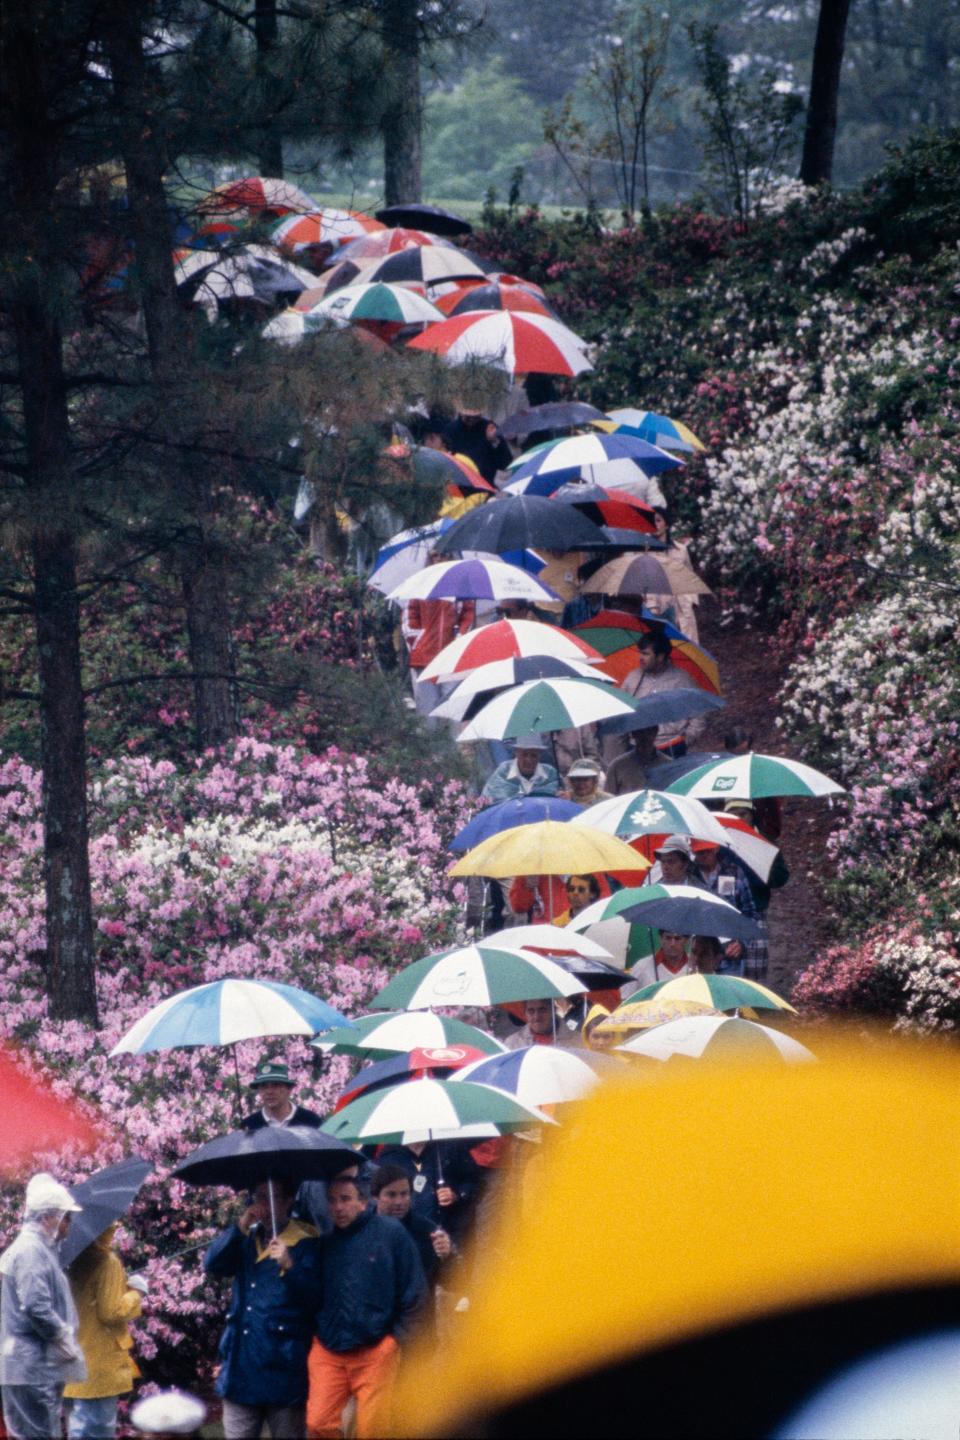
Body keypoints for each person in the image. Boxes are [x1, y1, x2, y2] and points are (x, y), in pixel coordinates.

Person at [301, 1174, 425, 1439]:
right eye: (332, 1201)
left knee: (372, 1430)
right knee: (317, 1424)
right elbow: (310, 1294)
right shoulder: (324, 1239)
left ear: (364, 1201)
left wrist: (395, 1340)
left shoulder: (390, 1232)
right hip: (329, 1348)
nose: (338, 1207)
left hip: (375, 1348)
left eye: (345, 1199)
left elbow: (414, 1291)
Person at [204, 1178, 322, 1440]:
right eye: (258, 1197)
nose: (263, 1205)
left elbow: (315, 1300)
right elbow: (213, 1265)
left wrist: (290, 1266)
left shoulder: (306, 1241)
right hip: (240, 1369)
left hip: (284, 1367)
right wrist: (238, 1228)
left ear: (289, 1201)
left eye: (272, 1197)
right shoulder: (247, 1238)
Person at [0, 1172, 86, 1440]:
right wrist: (61, 1335)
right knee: (36, 1434)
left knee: (42, 1431)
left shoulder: (40, 1248)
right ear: (48, 1217)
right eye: (65, 1217)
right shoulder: (30, 1251)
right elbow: (36, 1306)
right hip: (29, 1365)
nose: (68, 1224)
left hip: (36, 1364)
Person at [63, 1224, 145, 1440]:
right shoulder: (107, 1262)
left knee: (77, 1428)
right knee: (97, 1431)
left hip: (71, 1361)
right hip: (99, 1362)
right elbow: (110, 1312)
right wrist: (136, 1294)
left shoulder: (70, 1261)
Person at [604, 632, 706, 768]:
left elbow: (699, 714)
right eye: (640, 653)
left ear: (660, 657)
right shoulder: (633, 679)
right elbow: (622, 714)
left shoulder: (682, 680)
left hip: (672, 746)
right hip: (638, 748)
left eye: (646, 654)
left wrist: (684, 741)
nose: (641, 658)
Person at [371, 1141, 481, 1247]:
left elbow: (476, 1182)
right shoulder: (388, 1156)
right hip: (410, 1238)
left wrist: (457, 1194)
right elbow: (376, 1197)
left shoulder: (451, 1147)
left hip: (452, 1233)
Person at [372, 1167, 453, 1290]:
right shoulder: (362, 1229)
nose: (399, 1201)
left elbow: (451, 1284)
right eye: (391, 1195)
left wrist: (447, 1256)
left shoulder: (427, 1231)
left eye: (404, 1194)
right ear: (375, 1197)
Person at [690, 842, 764, 977]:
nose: (703, 855)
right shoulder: (689, 876)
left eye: (707, 850)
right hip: (697, 957)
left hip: (729, 959)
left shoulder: (734, 872)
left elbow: (751, 914)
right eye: (699, 852)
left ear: (716, 848)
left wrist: (742, 943)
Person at [241, 1058, 323, 1131]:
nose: (269, 1092)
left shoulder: (311, 1122)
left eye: (276, 1085)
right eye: (264, 1086)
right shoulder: (249, 1126)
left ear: (289, 1089)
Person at [480, 735, 560, 803]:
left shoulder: (550, 773)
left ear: (540, 755)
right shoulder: (503, 771)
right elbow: (488, 802)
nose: (529, 760)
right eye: (524, 754)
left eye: (533, 755)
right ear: (516, 753)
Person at [443, 408, 512, 482]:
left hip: (485, 486)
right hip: (457, 486)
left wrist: (494, 442)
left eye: (476, 417)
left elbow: (505, 464)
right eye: (468, 416)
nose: (472, 419)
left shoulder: (489, 428)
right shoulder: (449, 430)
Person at [605, 726, 670, 796]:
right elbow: (608, 798)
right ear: (633, 734)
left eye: (649, 732)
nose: (645, 737)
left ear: (656, 732)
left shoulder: (668, 764)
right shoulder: (617, 766)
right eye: (640, 733)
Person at [504, 998, 581, 1050]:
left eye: (542, 1010)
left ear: (553, 1010)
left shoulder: (577, 1040)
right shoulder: (512, 1043)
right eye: (531, 1011)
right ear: (525, 1013)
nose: (536, 1016)